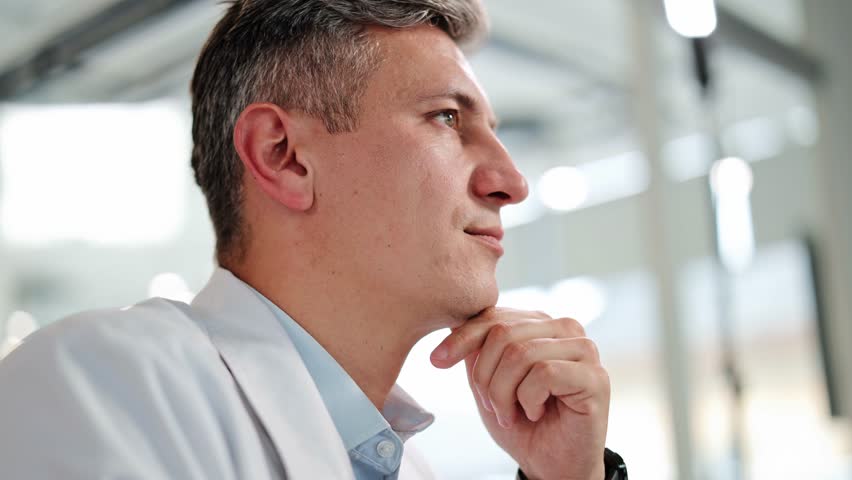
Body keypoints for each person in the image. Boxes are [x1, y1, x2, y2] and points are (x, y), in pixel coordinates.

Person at [0, 1, 625, 479]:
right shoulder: (103, 388)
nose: (510, 183)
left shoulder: (403, 462)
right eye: (446, 118)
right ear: (284, 156)